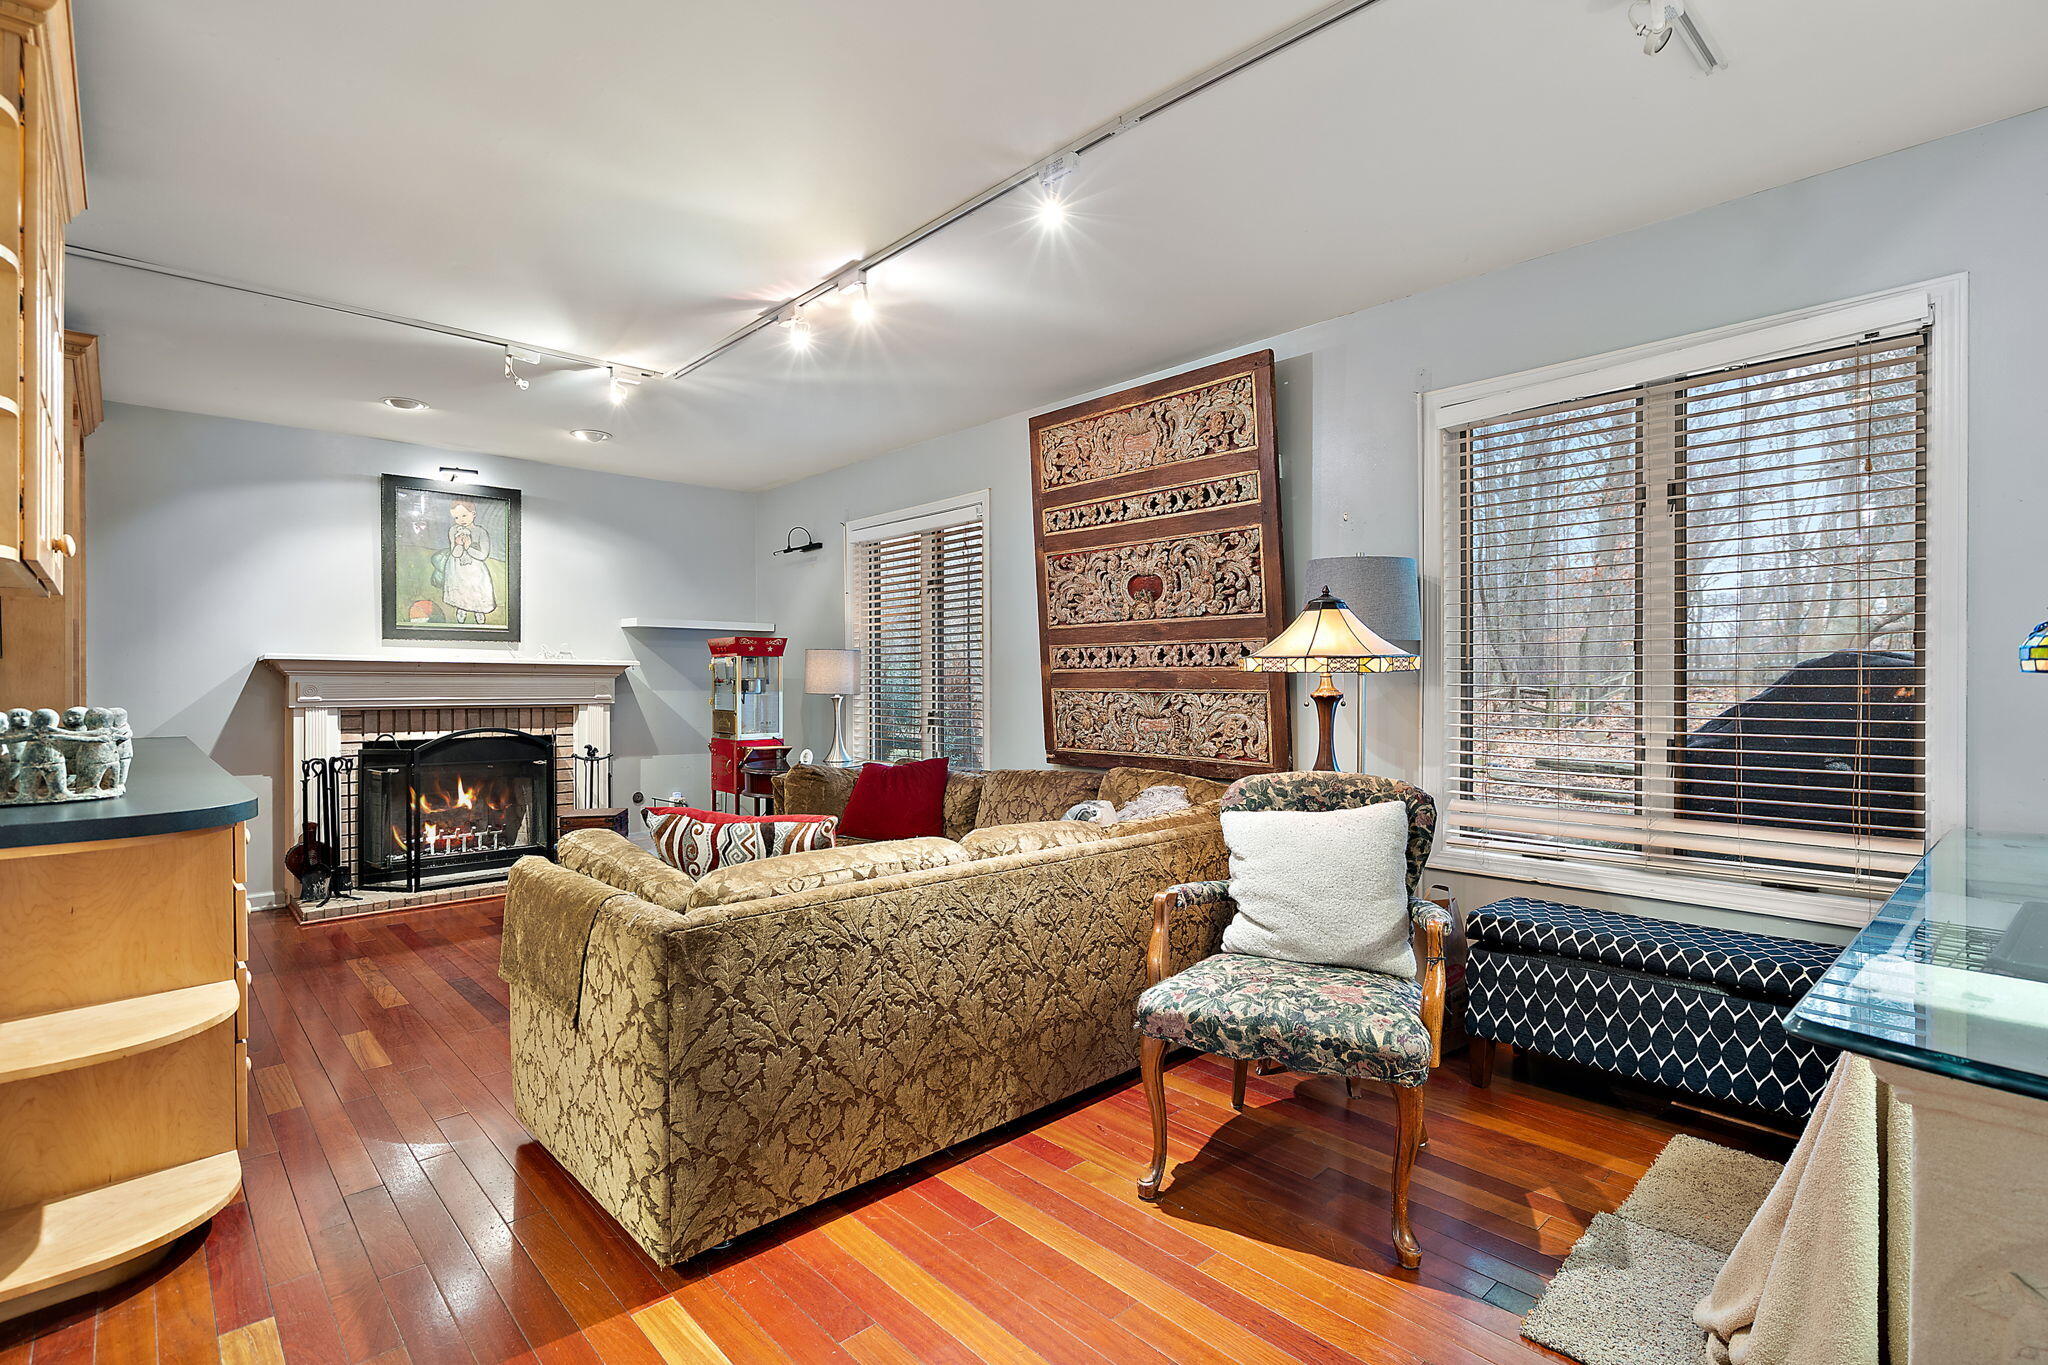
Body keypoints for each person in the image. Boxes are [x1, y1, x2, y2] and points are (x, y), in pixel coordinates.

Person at [441, 501, 497, 624]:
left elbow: (483, 555)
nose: (461, 520)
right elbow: (455, 553)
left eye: (464, 515)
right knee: (461, 587)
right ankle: (461, 608)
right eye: (456, 517)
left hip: (475, 568)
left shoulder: (481, 532)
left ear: (473, 514)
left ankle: (479, 610)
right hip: (458, 567)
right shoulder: (453, 530)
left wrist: (468, 547)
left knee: (476, 587)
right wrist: (459, 544)